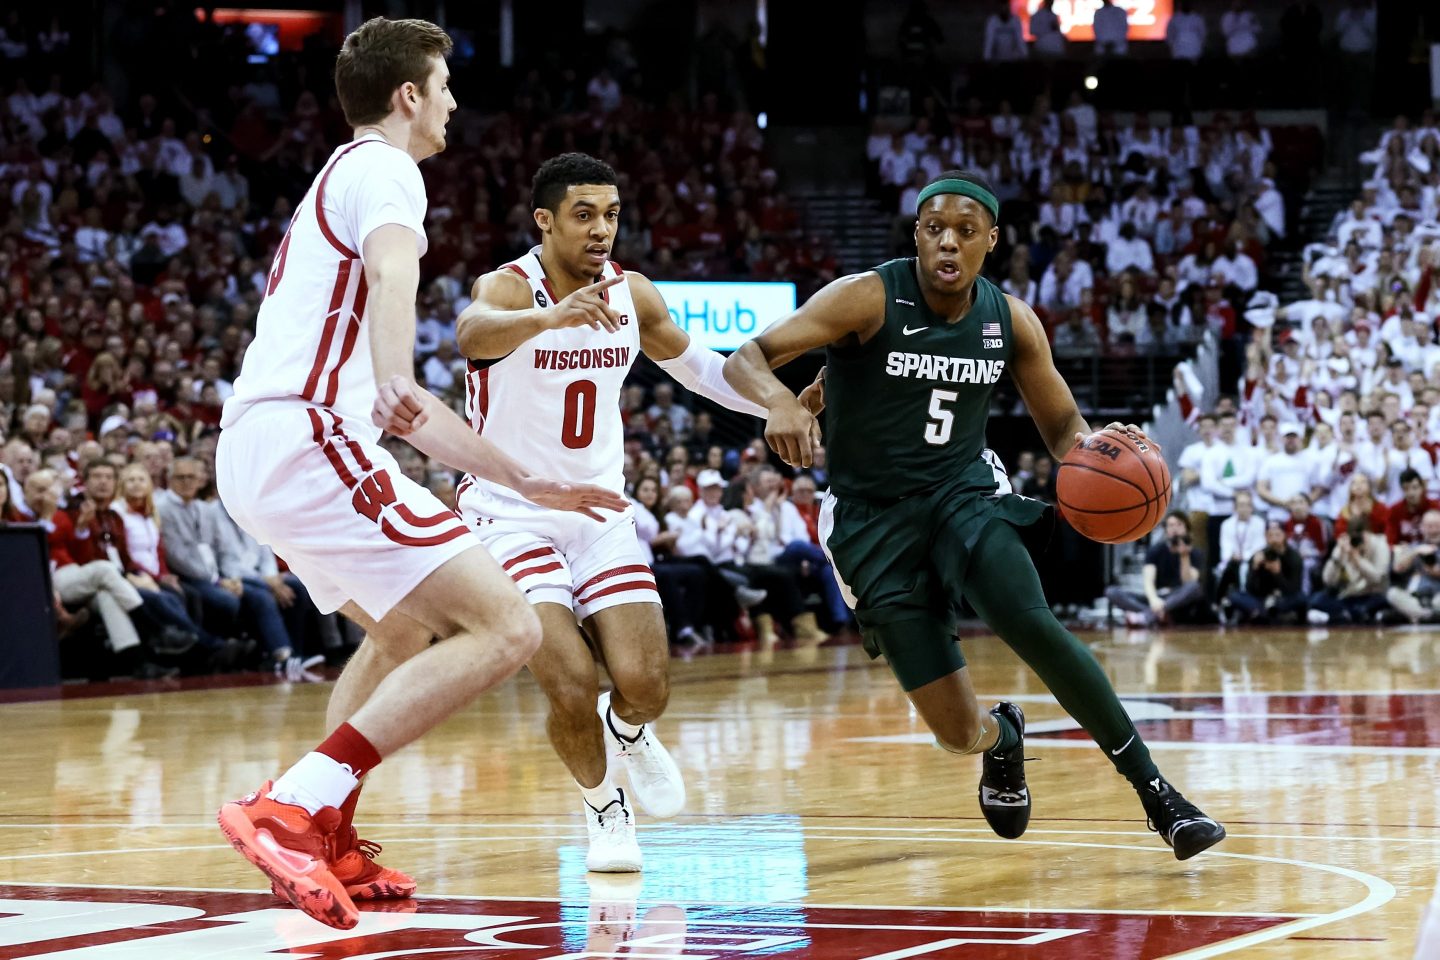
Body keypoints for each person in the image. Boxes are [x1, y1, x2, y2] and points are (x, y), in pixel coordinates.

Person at [211, 19, 626, 930]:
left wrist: (536, 484)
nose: (451, 103)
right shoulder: (384, 169)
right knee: (509, 625)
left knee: (403, 629)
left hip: (261, 448)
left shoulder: (337, 175)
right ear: (407, 97)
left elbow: (424, 422)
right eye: (443, 87)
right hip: (306, 436)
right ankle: (290, 806)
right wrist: (398, 369)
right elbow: (396, 276)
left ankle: (324, 831)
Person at [723, 169, 1225, 860]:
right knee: (957, 731)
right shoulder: (866, 298)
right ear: (918, 236)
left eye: (965, 232)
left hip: (965, 495)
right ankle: (1004, 738)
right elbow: (746, 358)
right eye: (935, 230)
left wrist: (1099, 455)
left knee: (1031, 623)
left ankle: (1158, 795)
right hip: (871, 521)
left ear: (991, 240)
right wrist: (779, 401)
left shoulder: (1011, 318)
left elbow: (1062, 426)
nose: (948, 244)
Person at [452, 153, 822, 872]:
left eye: (611, 214)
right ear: (545, 221)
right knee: (569, 683)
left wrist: (778, 399)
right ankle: (604, 812)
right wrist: (547, 317)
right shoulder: (507, 285)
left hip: (599, 513)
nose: (601, 230)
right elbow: (472, 334)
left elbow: (703, 371)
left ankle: (629, 731)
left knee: (646, 685)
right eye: (584, 215)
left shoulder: (635, 294)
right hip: (509, 516)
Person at [1106, 512, 1209, 626]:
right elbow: (1148, 580)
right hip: (1157, 597)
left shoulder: (1195, 553)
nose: (1175, 529)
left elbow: (1188, 582)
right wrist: (1153, 599)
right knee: (1112, 592)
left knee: (1195, 587)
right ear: (1166, 530)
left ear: (1187, 528)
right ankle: (1158, 615)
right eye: (1171, 525)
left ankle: (1146, 616)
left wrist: (1184, 556)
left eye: (1179, 524)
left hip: (1177, 599)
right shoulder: (1156, 550)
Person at [1309, 518, 1390, 624]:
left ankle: (1344, 614)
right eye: (1353, 537)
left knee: (1375, 603)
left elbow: (1377, 578)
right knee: (1316, 600)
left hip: (1371, 594)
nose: (1357, 542)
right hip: (1348, 595)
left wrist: (1357, 559)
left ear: (1367, 534)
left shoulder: (1380, 545)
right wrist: (1337, 557)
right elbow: (1328, 581)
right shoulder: (1345, 545)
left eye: (1360, 537)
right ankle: (1345, 614)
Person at [1226, 521, 1306, 624]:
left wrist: (1278, 574)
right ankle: (1267, 613)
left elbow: (1293, 590)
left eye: (1277, 535)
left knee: (1301, 598)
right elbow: (1250, 589)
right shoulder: (1259, 556)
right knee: (1234, 595)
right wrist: (1255, 569)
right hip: (1261, 599)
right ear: (1266, 537)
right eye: (1270, 535)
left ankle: (1262, 613)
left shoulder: (1294, 557)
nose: (1274, 539)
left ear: (1285, 536)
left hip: (1283, 599)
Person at [1387, 510, 1440, 623]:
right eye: (1429, 526)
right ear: (1422, 528)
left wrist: (1431, 569)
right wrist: (1415, 552)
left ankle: (1415, 616)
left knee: (1437, 603)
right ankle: (1426, 616)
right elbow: (1397, 568)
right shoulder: (1413, 547)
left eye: (1437, 526)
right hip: (1415, 597)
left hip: (1437, 595)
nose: (1434, 530)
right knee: (1392, 594)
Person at [1387, 469, 1439, 546]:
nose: (1411, 493)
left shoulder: (1434, 506)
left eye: (1415, 487)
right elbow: (1391, 542)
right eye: (1406, 489)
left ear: (1422, 487)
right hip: (1406, 554)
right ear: (1401, 490)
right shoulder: (1395, 511)